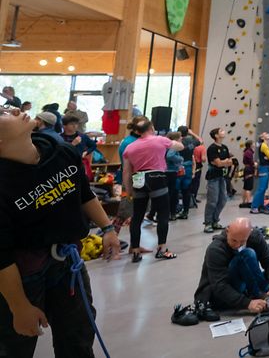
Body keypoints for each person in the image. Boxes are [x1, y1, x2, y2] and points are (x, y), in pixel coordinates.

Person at [0, 105, 121, 357]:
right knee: (15, 345)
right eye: (2, 113)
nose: (13, 110)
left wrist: (107, 228)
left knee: (78, 335)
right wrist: (19, 306)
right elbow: (1, 257)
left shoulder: (60, 151)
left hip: (66, 262)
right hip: (23, 274)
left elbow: (83, 195)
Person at [121, 117, 184, 262]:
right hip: (156, 176)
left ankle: (135, 250)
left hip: (138, 179)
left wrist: (128, 189)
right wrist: (176, 140)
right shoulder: (159, 140)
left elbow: (126, 171)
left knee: (137, 216)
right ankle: (161, 248)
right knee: (163, 213)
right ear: (151, 128)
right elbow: (179, 147)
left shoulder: (130, 147)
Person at [204, 128, 233, 233]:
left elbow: (229, 162)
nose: (224, 131)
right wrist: (223, 162)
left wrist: (223, 162)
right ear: (216, 135)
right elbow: (218, 163)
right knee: (212, 201)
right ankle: (208, 223)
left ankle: (215, 221)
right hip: (213, 177)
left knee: (223, 200)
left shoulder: (225, 147)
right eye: (221, 131)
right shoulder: (212, 148)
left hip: (222, 177)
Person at [60, 115, 96, 180]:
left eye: (76, 124)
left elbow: (93, 145)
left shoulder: (82, 136)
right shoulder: (60, 138)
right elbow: (60, 152)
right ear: (64, 126)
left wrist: (86, 152)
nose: (74, 126)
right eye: (71, 124)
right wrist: (72, 144)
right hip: (65, 165)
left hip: (80, 164)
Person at [251, 132, 269, 215]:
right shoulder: (264, 146)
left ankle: (261, 205)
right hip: (263, 168)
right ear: (263, 138)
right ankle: (254, 206)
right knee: (261, 188)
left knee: (264, 188)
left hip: (267, 168)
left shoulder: (268, 147)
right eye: (267, 136)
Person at [240, 140, 256, 208]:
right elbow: (251, 162)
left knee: (245, 186)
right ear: (251, 145)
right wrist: (255, 164)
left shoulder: (247, 152)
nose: (255, 144)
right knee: (248, 187)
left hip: (247, 170)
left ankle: (244, 201)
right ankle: (249, 202)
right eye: (253, 143)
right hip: (249, 170)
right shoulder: (249, 152)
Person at [190, 141, 206, 208]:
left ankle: (190, 198)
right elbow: (203, 159)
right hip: (197, 165)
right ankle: (193, 198)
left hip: (189, 165)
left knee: (190, 183)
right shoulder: (201, 148)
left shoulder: (190, 148)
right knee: (196, 183)